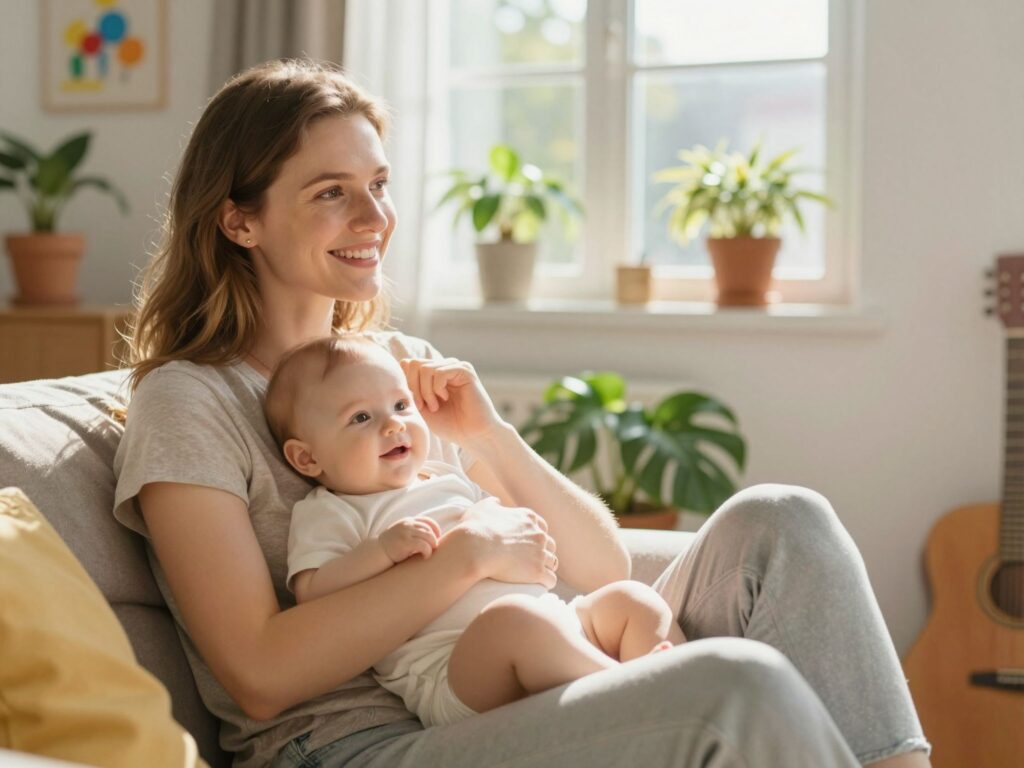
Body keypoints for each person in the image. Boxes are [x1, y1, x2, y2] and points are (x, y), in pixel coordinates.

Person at [112, 57, 932, 768]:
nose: (374, 220)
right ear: (239, 219)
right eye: (333, 193)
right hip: (354, 745)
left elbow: (599, 568)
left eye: (380, 185)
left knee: (784, 519)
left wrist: (487, 438)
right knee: (732, 686)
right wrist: (460, 562)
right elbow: (258, 675)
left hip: (517, 676)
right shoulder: (188, 400)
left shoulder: (396, 368)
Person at [264, 334, 683, 727]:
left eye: (401, 406)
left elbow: (521, 538)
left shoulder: (446, 476)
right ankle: (640, 698)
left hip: (550, 622)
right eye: (360, 417)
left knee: (633, 600)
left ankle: (688, 682)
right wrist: (380, 552)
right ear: (306, 459)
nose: (393, 426)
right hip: (455, 669)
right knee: (515, 621)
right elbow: (313, 593)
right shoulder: (330, 512)